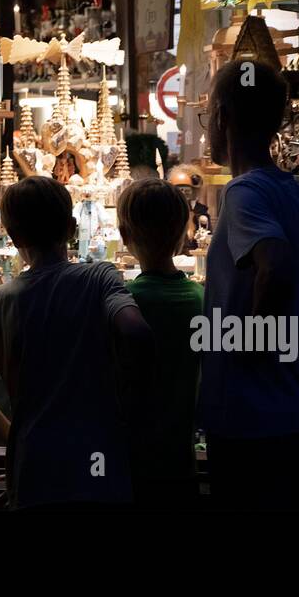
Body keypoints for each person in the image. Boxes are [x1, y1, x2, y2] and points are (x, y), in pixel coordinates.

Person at [200, 59, 299, 505]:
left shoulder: (244, 193)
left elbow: (276, 264)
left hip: (251, 428)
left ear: (223, 117)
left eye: (209, 115)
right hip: (297, 422)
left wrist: (250, 345)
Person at [0, 176, 155, 510]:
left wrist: (13, 435)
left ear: (12, 238)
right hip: (99, 460)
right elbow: (136, 331)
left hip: (35, 465)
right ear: (73, 229)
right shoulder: (99, 277)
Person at [117, 177, 204, 506]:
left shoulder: (120, 303)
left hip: (125, 466)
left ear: (125, 237)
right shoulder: (202, 301)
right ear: (183, 234)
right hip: (181, 466)